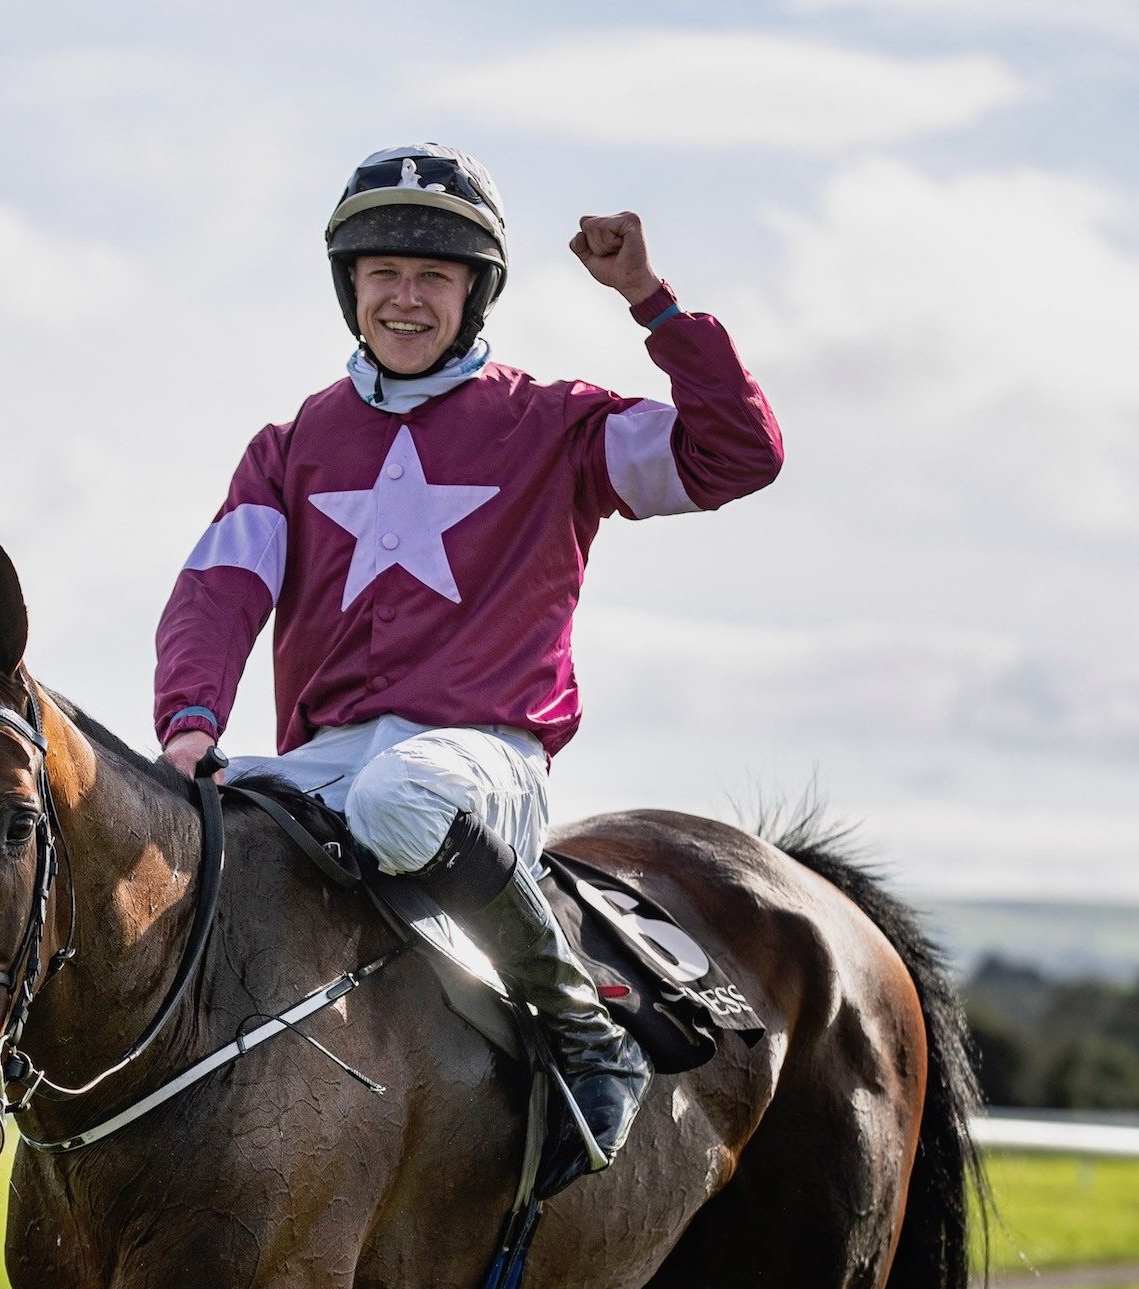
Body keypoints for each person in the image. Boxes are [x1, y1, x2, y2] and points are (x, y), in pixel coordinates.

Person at [153, 144, 782, 1194]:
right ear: (349, 287)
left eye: (433, 277)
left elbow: (738, 455)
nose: (406, 298)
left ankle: (583, 1026)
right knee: (197, 828)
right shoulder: (293, 440)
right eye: (384, 273)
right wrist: (188, 724)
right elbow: (222, 585)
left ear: (475, 291)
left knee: (401, 795)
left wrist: (650, 300)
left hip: (485, 760)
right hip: (330, 767)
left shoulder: (559, 423)